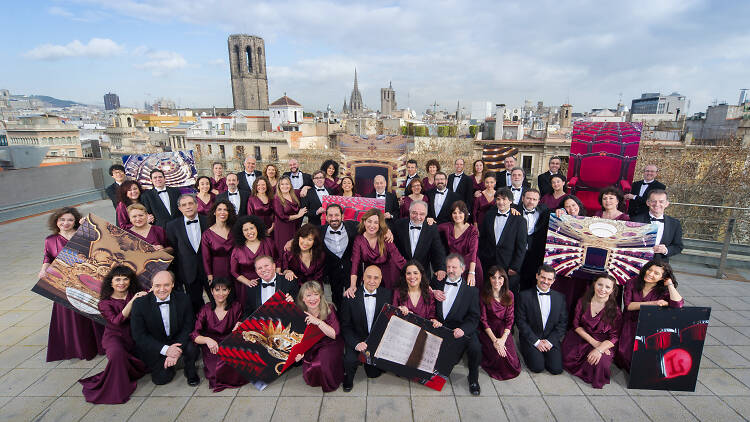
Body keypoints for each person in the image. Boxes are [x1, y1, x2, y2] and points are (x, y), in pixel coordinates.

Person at [40, 207, 104, 362]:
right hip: (64, 282)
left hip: (85, 280)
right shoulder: (50, 239)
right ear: (56, 221)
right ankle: (79, 348)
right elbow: (48, 256)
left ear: (75, 221)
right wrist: (43, 270)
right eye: (62, 220)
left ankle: (99, 345)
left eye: (69, 220)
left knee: (90, 312)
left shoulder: (82, 235)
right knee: (70, 316)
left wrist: (88, 226)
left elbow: (102, 242)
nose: (66, 223)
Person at [79, 266, 148, 403]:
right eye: (117, 279)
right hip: (115, 336)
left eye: (125, 279)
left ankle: (131, 370)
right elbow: (116, 322)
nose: (121, 283)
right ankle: (116, 389)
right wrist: (133, 301)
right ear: (111, 282)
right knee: (117, 354)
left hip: (134, 334)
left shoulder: (136, 293)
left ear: (130, 281)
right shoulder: (104, 303)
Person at [130, 270, 199, 386]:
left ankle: (189, 368)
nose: (162, 289)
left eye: (166, 285)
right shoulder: (139, 304)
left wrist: (176, 350)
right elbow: (139, 336)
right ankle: (171, 363)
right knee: (161, 380)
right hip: (157, 344)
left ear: (172, 284)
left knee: (192, 347)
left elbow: (188, 326)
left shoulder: (184, 299)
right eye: (157, 285)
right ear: (152, 286)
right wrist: (166, 350)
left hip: (178, 340)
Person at [616, 259, 683, 372]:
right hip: (630, 322)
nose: (650, 274)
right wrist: (653, 303)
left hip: (649, 325)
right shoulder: (632, 282)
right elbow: (629, 306)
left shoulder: (663, 290)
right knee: (624, 354)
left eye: (656, 273)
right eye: (649, 270)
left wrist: (670, 284)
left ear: (663, 278)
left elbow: (678, 304)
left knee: (643, 358)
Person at [431, 254, 482, 395]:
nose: (451, 270)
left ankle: (473, 378)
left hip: (460, 328)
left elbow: (474, 317)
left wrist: (463, 329)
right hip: (440, 327)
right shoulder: (437, 282)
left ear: (463, 269)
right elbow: (424, 292)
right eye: (448, 267)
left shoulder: (471, 291)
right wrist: (433, 291)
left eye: (454, 267)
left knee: (475, 348)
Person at [562, 274, 622, 389]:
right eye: (600, 284)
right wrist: (594, 343)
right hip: (581, 336)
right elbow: (576, 325)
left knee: (601, 363)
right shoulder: (582, 301)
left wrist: (599, 349)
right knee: (567, 356)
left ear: (613, 290)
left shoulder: (616, 311)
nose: (602, 289)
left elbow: (614, 336)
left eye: (607, 287)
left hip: (603, 341)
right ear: (594, 284)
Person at [340, 265, 393, 391]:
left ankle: (372, 365)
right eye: (368, 277)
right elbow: (345, 326)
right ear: (363, 277)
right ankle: (348, 378)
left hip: (375, 339)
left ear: (380, 279)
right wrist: (356, 343)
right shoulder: (350, 296)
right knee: (349, 360)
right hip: (357, 337)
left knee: (373, 374)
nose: (372, 281)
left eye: (376, 278)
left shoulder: (387, 295)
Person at [190, 278, 248, 392]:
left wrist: (239, 327)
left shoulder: (236, 306)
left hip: (230, 342)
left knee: (237, 370)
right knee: (215, 372)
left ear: (229, 291)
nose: (220, 293)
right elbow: (194, 334)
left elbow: (242, 326)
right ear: (211, 291)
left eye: (224, 290)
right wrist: (207, 340)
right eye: (217, 290)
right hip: (212, 345)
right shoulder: (205, 309)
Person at [515, 264, 568, 375]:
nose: (545, 281)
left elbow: (562, 324)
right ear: (537, 276)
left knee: (556, 369)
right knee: (537, 367)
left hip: (550, 338)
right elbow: (521, 322)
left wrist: (550, 342)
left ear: (553, 281)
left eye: (549, 279)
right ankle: (526, 348)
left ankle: (545, 352)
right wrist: (537, 342)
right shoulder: (524, 296)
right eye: (543, 277)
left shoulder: (560, 297)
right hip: (531, 337)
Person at [295, 281, 345, 392]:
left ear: (321, 296)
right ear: (303, 298)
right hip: (311, 344)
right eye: (308, 295)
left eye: (316, 294)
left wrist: (318, 322)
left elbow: (334, 334)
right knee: (311, 369)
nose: (312, 299)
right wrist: (300, 352)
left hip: (330, 343)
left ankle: (332, 380)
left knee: (321, 363)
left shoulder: (329, 308)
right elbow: (299, 337)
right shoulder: (300, 312)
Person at [477, 188, 527, 296]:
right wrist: (481, 258)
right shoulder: (489, 215)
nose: (501, 202)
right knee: (487, 293)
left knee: (506, 295)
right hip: (488, 262)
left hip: (508, 265)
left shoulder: (520, 220)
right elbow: (483, 239)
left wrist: (515, 267)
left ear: (510, 201)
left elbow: (521, 247)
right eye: (498, 199)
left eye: (504, 199)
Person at [165, 194, 208, 314]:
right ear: (179, 208)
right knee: (195, 304)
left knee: (217, 299)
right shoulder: (172, 226)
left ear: (196, 205)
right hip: (189, 271)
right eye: (184, 205)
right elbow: (174, 249)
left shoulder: (208, 220)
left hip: (209, 270)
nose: (188, 207)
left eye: (190, 203)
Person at [348, 209, 406, 295]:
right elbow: (355, 264)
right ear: (364, 222)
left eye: (376, 222)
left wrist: (414, 274)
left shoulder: (385, 237)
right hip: (371, 274)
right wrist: (352, 285)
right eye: (369, 221)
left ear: (380, 225)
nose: (372, 225)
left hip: (389, 273)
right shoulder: (359, 240)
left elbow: (399, 259)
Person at [478, 266, 521, 381]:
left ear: (504, 280)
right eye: (494, 278)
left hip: (503, 330)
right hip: (487, 330)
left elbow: (510, 319)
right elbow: (483, 320)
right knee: (498, 356)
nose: (497, 281)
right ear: (490, 279)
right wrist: (495, 341)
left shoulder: (510, 295)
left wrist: (502, 340)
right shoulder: (484, 295)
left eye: (500, 278)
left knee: (509, 357)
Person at [393, 200, 447, 283]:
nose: (418, 217)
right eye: (414, 213)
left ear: (426, 214)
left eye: (422, 214)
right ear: (409, 211)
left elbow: (437, 249)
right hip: (401, 273)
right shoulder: (398, 225)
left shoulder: (431, 228)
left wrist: (440, 267)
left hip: (423, 275)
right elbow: (393, 248)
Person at [230, 215, 278, 308]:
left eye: (251, 228)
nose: (249, 232)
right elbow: (233, 271)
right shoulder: (237, 249)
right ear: (241, 232)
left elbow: (277, 260)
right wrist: (248, 282)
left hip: (269, 282)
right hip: (247, 287)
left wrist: (275, 277)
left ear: (257, 228)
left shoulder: (268, 242)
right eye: (245, 230)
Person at [320, 204, 358, 309]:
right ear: (326, 217)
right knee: (336, 301)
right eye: (330, 215)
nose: (333, 218)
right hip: (332, 273)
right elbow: (304, 234)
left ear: (342, 216)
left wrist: (387, 231)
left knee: (354, 299)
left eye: (336, 215)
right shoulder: (319, 231)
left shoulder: (353, 226)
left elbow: (372, 227)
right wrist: (291, 241)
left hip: (352, 272)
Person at [438, 201, 481, 288]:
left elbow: (473, 252)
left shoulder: (472, 230)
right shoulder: (448, 227)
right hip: (454, 268)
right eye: (454, 213)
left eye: (460, 212)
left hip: (470, 267)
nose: (457, 215)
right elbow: (432, 228)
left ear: (465, 213)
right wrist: (429, 220)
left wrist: (471, 273)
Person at [631, 189, 683, 261]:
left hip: (661, 264)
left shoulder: (675, 223)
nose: (657, 204)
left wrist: (666, 250)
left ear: (667, 204)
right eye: (653, 201)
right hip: (638, 261)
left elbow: (678, 246)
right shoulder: (635, 220)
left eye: (661, 201)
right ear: (647, 203)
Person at [515, 188, 551, 291]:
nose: (531, 201)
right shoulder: (513, 210)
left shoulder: (544, 211)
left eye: (534, 199)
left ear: (538, 201)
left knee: (529, 282)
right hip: (515, 253)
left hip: (533, 254)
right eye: (528, 198)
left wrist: (561, 210)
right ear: (522, 198)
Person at [201, 200, 236, 284]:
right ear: (214, 212)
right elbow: (206, 258)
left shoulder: (234, 231)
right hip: (218, 270)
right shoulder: (207, 234)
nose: (222, 212)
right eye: (219, 209)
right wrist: (209, 274)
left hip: (235, 269)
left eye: (226, 210)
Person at [273, 176, 306, 253]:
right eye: (282, 184)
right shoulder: (276, 198)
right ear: (279, 186)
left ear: (290, 185)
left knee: (294, 248)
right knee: (284, 249)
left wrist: (305, 187)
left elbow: (309, 187)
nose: (285, 186)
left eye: (287, 184)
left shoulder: (295, 194)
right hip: (283, 227)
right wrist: (298, 215)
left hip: (295, 226)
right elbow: (282, 216)